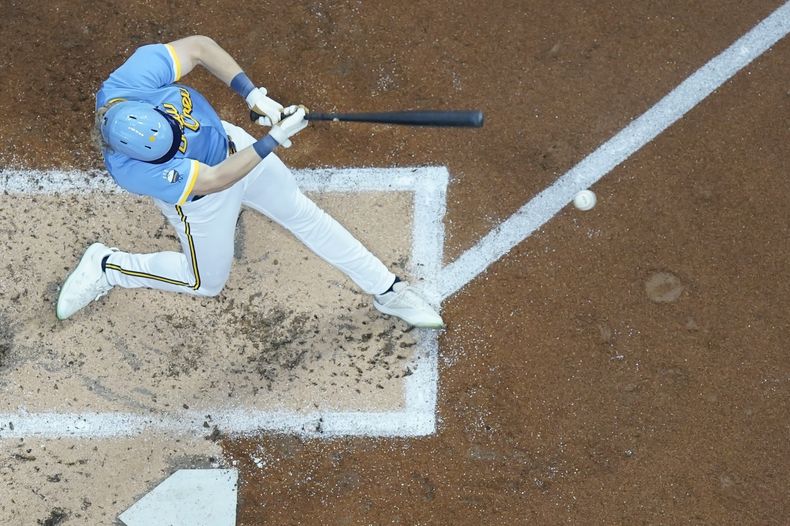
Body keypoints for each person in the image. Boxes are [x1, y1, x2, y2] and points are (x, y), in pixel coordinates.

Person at [56, 35, 443, 329]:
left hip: (234, 143)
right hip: (204, 201)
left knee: (302, 214)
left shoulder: (131, 80)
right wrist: (272, 140)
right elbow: (216, 179)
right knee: (203, 282)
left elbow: (199, 47)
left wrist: (253, 95)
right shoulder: (129, 170)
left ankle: (388, 289)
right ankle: (108, 266)